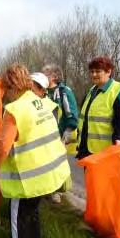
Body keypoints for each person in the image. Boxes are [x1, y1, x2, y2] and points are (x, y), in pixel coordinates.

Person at [0, 64, 70, 238]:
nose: (5, 96)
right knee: (32, 214)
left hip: (28, 181)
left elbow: (1, 147)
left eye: (6, 90)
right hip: (48, 174)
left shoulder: (15, 110)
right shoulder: (40, 102)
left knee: (19, 218)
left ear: (12, 88)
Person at [76, 56, 120, 159]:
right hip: (87, 150)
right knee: (89, 176)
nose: (94, 74)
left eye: (98, 71)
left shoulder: (118, 90)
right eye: (92, 71)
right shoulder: (92, 90)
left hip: (106, 153)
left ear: (108, 72)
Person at [42, 64, 79, 203]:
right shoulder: (42, 91)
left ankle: (57, 192)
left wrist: (65, 137)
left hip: (58, 137)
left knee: (56, 164)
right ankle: (46, 190)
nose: (42, 74)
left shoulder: (64, 92)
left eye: (46, 72)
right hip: (44, 137)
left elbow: (72, 116)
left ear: (54, 76)